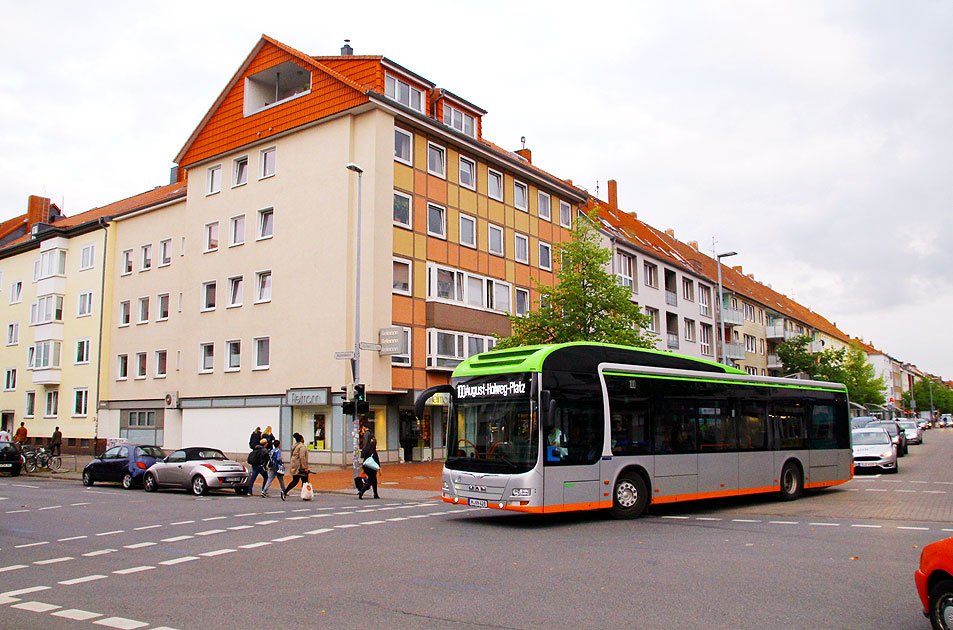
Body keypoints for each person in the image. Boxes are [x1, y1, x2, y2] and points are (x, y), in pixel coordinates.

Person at [282, 432, 310, 500]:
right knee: (305, 481)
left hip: (294, 466)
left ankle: (285, 492)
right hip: (300, 467)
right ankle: (305, 495)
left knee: (295, 481)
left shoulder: (295, 446)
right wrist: (305, 467)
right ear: (301, 439)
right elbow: (302, 457)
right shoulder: (302, 447)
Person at [358, 426, 380, 500]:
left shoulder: (367, 436)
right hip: (373, 463)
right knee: (372, 479)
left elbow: (364, 451)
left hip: (368, 463)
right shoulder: (373, 451)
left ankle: (370, 493)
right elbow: (376, 459)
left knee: (372, 479)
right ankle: (370, 493)